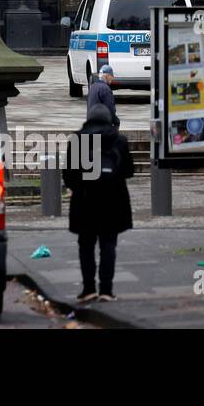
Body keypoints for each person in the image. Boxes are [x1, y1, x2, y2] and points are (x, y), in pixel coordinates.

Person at [63, 104, 134, 302]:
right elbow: (129, 170)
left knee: (85, 245)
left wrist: (78, 187)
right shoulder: (119, 140)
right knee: (108, 245)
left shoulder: (78, 139)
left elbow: (69, 173)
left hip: (85, 201)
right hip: (113, 201)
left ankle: (88, 289)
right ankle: (106, 290)